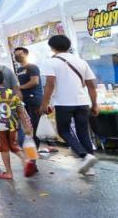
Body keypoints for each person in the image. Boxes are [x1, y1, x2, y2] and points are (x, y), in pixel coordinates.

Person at [39, 34, 101, 175]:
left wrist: (44, 103)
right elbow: (91, 85)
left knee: (63, 131)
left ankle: (84, 155)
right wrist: (94, 104)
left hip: (63, 103)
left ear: (52, 47)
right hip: (82, 102)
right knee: (83, 132)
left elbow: (50, 84)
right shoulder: (81, 62)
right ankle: (89, 166)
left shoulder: (51, 62)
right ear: (68, 46)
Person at [0, 68, 35, 179]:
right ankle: (26, 160)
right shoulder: (13, 93)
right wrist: (26, 126)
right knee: (14, 146)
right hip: (12, 125)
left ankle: (9, 172)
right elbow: (21, 112)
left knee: (4, 149)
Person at [13, 46, 52, 156]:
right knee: (26, 124)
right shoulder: (19, 70)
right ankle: (30, 147)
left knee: (35, 123)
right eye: (15, 54)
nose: (17, 56)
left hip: (34, 98)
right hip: (23, 100)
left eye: (19, 54)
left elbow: (34, 82)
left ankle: (35, 148)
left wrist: (19, 87)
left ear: (26, 54)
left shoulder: (32, 67)